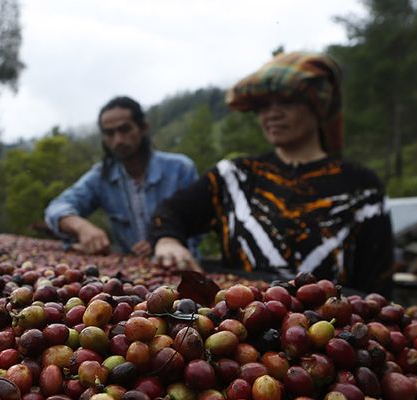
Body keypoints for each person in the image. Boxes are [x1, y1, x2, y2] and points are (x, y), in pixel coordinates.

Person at [150, 52, 394, 296]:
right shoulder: (234, 177)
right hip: (239, 324)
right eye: (263, 106)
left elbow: (376, 283)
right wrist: (168, 240)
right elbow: (171, 212)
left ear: (317, 106)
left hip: (331, 330)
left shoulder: (361, 188)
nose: (272, 114)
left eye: (286, 102)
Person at [44, 96, 199, 256]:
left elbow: (198, 223)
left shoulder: (180, 169)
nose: (118, 140)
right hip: (132, 273)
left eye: (125, 130)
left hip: (182, 267)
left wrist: (164, 240)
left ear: (143, 128)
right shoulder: (101, 177)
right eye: (109, 133)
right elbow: (57, 208)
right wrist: (81, 227)